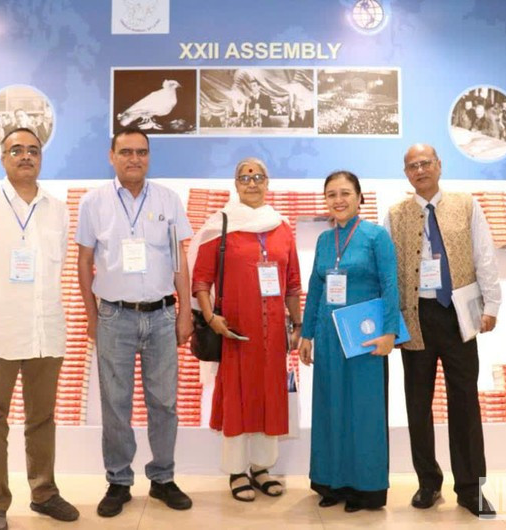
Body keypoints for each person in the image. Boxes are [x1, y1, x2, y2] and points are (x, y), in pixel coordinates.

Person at [0, 128, 79, 530]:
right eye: (16, 150)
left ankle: (44, 493)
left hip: (45, 329)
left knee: (42, 417)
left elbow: (56, 263)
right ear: (3, 157)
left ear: (41, 158)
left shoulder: (57, 208)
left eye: (33, 150)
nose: (26, 156)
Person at [75, 126, 195, 517]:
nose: (134, 159)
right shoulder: (93, 202)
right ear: (111, 156)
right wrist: (92, 317)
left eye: (142, 152)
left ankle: (162, 477)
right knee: (115, 404)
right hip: (113, 316)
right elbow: (84, 262)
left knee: (165, 402)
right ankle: (118, 480)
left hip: (161, 315)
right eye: (126, 152)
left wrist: (184, 313)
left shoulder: (168, 200)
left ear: (149, 156)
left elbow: (179, 259)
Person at [384, 143, 501, 517]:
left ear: (439, 165)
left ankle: (471, 488)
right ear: (406, 173)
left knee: (465, 402)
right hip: (415, 318)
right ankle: (428, 483)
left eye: (425, 163)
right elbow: (387, 271)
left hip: (458, 318)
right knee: (418, 404)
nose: (420, 170)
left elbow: (484, 254)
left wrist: (492, 304)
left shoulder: (466, 204)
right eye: (412, 166)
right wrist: (391, 321)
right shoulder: (395, 213)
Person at [190, 158, 302, 502]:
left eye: (258, 177)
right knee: (238, 398)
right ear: (235, 184)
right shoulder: (220, 223)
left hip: (273, 338)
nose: (252, 182)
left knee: (269, 398)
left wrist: (297, 325)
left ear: (268, 182)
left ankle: (262, 467)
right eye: (245, 177)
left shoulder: (281, 226)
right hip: (235, 333)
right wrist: (211, 318)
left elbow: (293, 283)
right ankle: (237, 471)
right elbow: (201, 280)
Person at [298, 171, 399, 512]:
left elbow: (390, 284)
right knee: (330, 409)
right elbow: (315, 288)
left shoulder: (376, 236)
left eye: (344, 193)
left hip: (365, 340)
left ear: (359, 198)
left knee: (363, 412)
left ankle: (364, 488)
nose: (338, 200)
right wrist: (307, 333)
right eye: (331, 194)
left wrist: (390, 333)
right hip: (328, 338)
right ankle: (331, 482)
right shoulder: (326, 241)